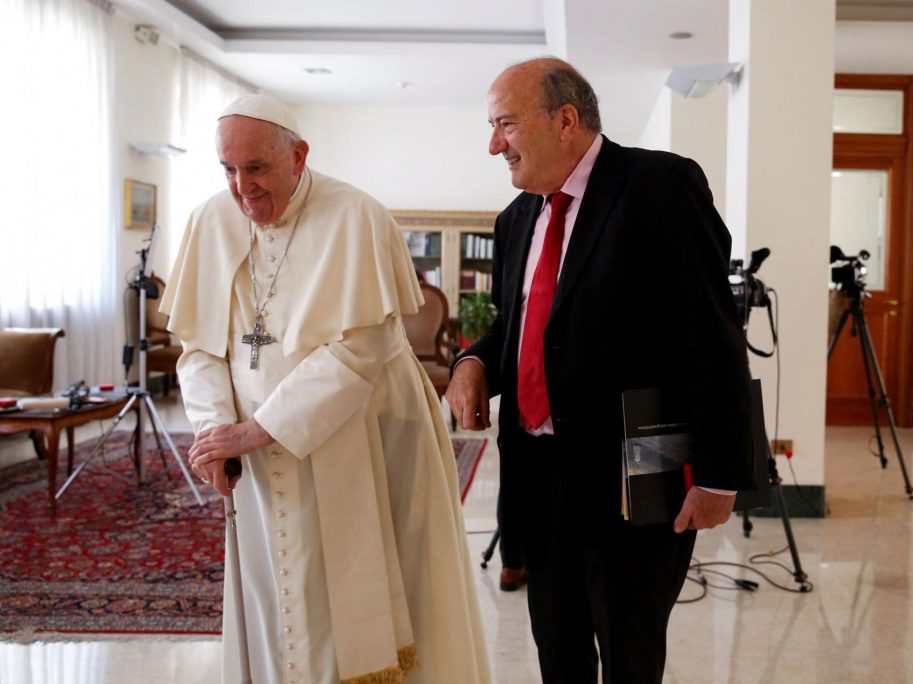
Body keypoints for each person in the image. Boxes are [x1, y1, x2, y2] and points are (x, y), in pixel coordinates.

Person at [162, 93, 491, 684]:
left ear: (298, 156)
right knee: (278, 597)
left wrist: (261, 428)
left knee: (384, 590)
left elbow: (360, 349)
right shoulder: (210, 221)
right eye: (228, 170)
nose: (242, 189)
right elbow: (200, 347)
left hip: (365, 430)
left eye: (257, 168)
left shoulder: (357, 216)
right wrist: (215, 432)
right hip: (250, 449)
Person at [446, 58, 755, 684]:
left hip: (637, 468)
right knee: (557, 652)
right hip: (538, 476)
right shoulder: (516, 220)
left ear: (565, 120)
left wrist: (721, 474)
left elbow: (711, 334)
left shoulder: (660, 186)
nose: (494, 145)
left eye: (506, 124)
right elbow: (523, 327)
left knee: (629, 654)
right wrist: (473, 361)